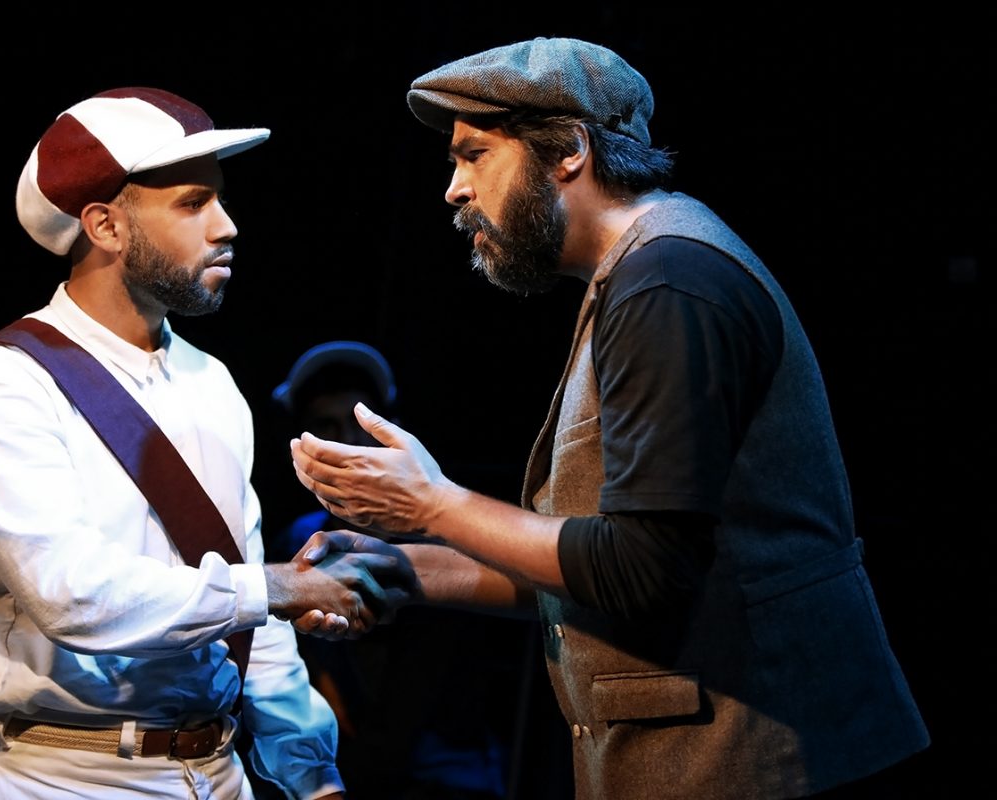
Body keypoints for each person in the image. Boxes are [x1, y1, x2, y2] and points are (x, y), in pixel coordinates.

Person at [288, 38, 931, 799]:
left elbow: (642, 569)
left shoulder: (670, 282)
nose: (454, 190)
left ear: (568, 152)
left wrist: (432, 504)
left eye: (475, 155)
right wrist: (405, 566)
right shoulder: (636, 275)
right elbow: (587, 562)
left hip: (759, 761)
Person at [0, 86, 412, 800]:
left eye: (219, 200)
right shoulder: (4, 386)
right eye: (193, 203)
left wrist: (310, 772)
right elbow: (70, 593)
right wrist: (279, 586)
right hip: (62, 776)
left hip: (217, 773)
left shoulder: (212, 381)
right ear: (105, 226)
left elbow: (251, 605)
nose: (227, 226)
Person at [271, 342, 514, 800]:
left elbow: (427, 683)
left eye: (360, 422)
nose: (347, 440)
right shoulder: (297, 542)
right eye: (326, 427)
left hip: (447, 774)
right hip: (347, 772)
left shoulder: (446, 530)